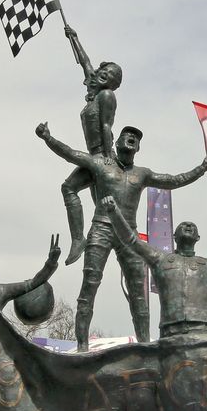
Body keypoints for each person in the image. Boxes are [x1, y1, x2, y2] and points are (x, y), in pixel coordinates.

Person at [36, 121, 207, 349]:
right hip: (101, 227)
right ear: (117, 141)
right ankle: (82, 347)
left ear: (138, 148)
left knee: (138, 292)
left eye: (136, 137)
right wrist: (48, 138)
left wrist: (201, 168)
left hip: (128, 233)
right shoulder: (101, 164)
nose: (132, 137)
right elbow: (71, 154)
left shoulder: (142, 174)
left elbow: (173, 181)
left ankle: (145, 347)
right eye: (127, 134)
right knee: (89, 286)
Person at [102, 198, 207, 339]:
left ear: (198, 237)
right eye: (183, 225)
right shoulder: (161, 259)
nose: (188, 225)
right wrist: (114, 213)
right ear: (174, 236)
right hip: (171, 334)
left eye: (192, 226)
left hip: (203, 335)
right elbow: (131, 240)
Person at [56, 24, 125, 265]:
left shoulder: (106, 96)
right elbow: (84, 63)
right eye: (104, 71)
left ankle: (102, 243)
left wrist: (107, 157)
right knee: (94, 205)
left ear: (112, 85)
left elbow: (106, 126)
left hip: (101, 156)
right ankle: (79, 240)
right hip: (94, 156)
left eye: (110, 77)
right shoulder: (95, 90)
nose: (103, 75)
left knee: (101, 208)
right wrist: (74, 38)